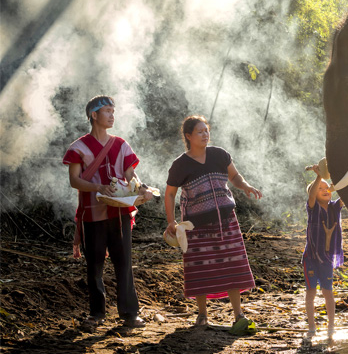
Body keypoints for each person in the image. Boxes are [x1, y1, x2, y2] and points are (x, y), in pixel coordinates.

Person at [164, 115, 261, 328]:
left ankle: (238, 314)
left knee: (232, 265)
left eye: (206, 130)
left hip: (226, 220)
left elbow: (235, 177)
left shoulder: (220, 155)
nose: (205, 134)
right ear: (188, 136)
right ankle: (202, 315)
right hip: (196, 225)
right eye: (199, 132)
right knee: (200, 269)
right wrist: (171, 221)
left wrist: (245, 186)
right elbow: (170, 194)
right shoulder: (180, 165)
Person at [63, 95, 151, 329]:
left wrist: (143, 189)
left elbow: (131, 175)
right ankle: (96, 313)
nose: (113, 116)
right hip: (92, 214)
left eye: (114, 111)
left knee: (124, 263)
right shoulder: (78, 147)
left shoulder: (121, 144)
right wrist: (98, 188)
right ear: (94, 115)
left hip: (120, 212)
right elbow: (74, 181)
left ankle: (130, 314)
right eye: (108, 111)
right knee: (94, 265)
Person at [304, 164, 344, 339]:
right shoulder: (313, 208)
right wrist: (319, 177)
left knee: (328, 292)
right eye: (320, 188)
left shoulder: (335, 207)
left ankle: (331, 326)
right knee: (311, 292)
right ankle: (312, 327)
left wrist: (337, 180)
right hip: (311, 258)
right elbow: (312, 194)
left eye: (327, 188)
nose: (325, 190)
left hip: (327, 259)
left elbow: (346, 193)